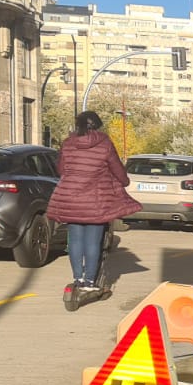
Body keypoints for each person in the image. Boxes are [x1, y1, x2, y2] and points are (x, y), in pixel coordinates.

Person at [48, 111, 141, 290]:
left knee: (75, 240)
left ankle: (78, 278)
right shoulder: (104, 143)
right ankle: (90, 281)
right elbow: (116, 168)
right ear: (97, 124)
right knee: (92, 241)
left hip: (71, 200)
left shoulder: (68, 143)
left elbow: (61, 169)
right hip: (96, 202)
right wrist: (125, 181)